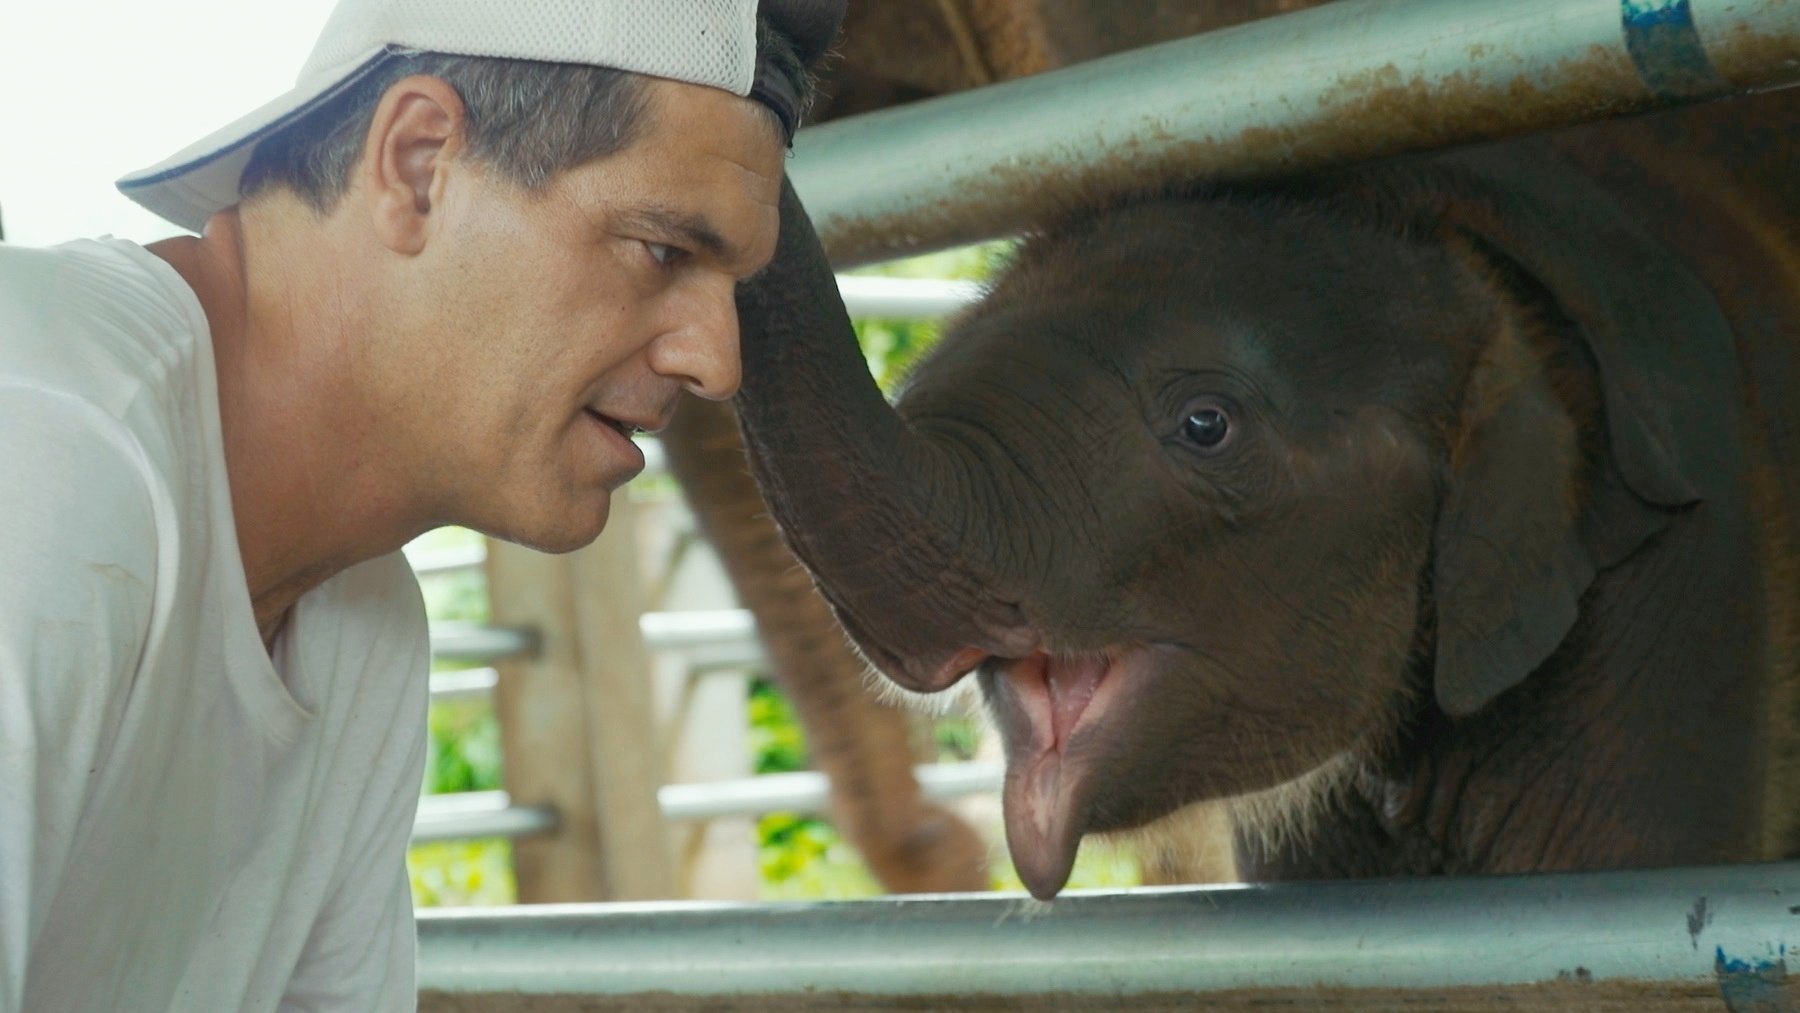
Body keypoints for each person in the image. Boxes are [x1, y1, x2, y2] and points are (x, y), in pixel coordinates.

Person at [0, 0, 842, 1008]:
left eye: (729, 285)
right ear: (416, 164)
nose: (716, 359)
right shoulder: (45, 440)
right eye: (663, 249)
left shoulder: (363, 627)